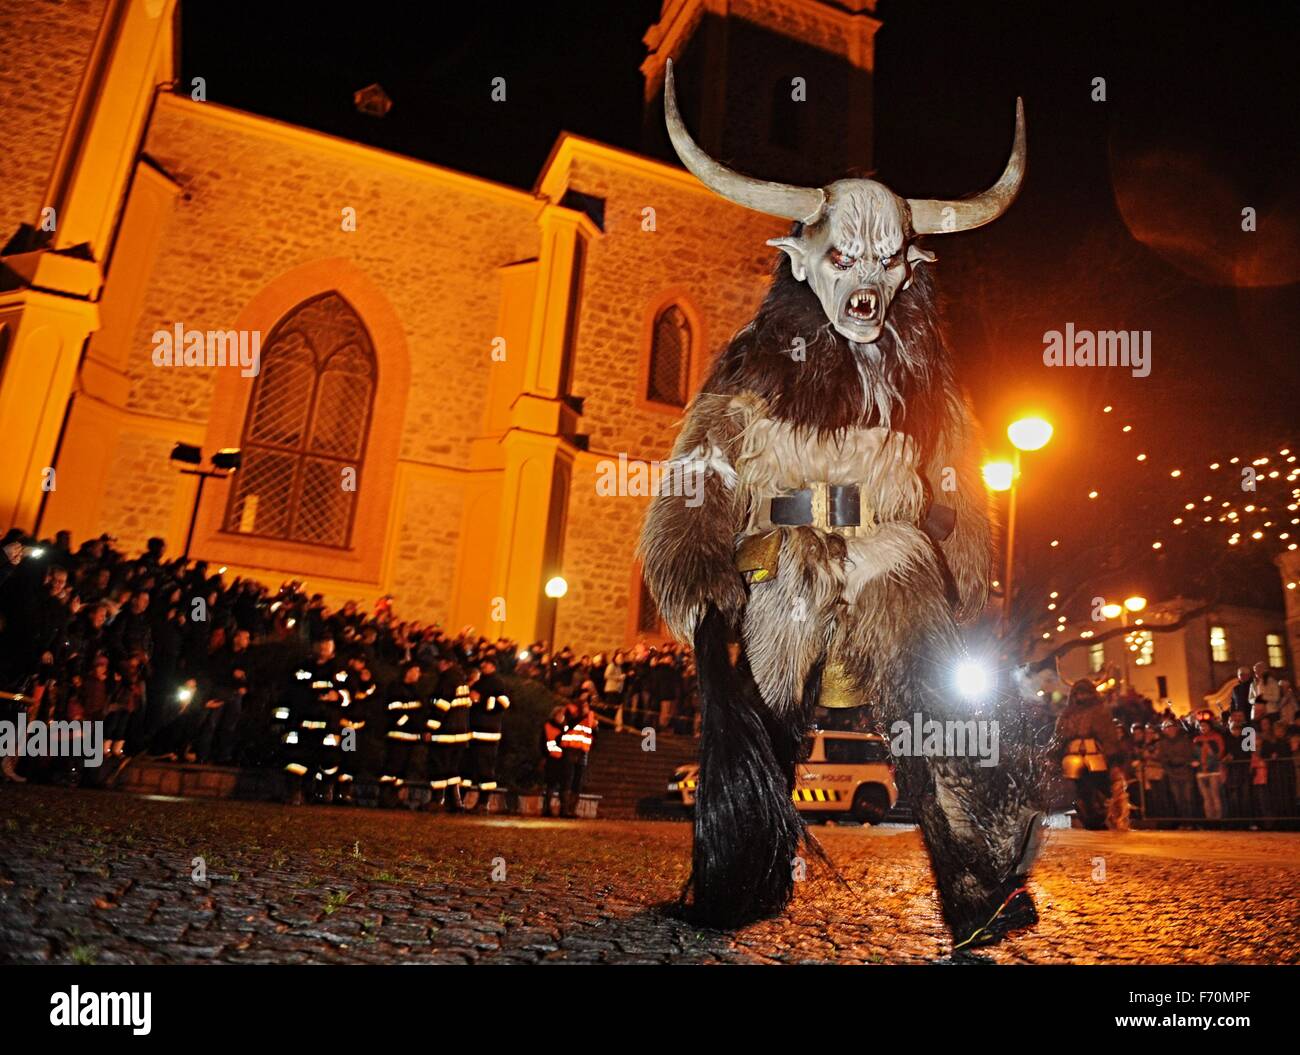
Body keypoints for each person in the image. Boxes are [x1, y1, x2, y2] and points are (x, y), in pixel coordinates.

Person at [281, 636, 346, 805]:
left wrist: (336, 696)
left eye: (327, 645)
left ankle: (325, 791)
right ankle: (295, 792)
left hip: (329, 723)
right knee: (297, 758)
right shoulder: (302, 667)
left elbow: (349, 695)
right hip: (303, 720)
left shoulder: (339, 670)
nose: (323, 648)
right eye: (321, 644)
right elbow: (292, 692)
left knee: (329, 758)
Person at [1053, 679, 1122, 830]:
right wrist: (1054, 756)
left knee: (1100, 788)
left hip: (1095, 755)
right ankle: (1088, 818)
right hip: (1072, 757)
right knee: (1079, 791)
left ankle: (1101, 818)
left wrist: (1114, 759)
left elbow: (1108, 736)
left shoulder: (1100, 712)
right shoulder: (1067, 715)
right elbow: (1059, 737)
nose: (1081, 696)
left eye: (1084, 693)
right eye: (1079, 693)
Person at [380, 661, 428, 809]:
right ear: (408, 671)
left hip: (410, 737)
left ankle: (395, 798)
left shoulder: (415, 691)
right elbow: (395, 712)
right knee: (392, 767)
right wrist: (410, 721)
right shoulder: (396, 689)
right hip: (398, 735)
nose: (418, 674)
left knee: (402, 770)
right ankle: (385, 797)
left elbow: (420, 712)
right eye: (416, 670)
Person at [465, 657, 510, 810]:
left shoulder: (497, 683)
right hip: (474, 731)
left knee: (485, 768)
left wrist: (482, 701)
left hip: (488, 733)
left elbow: (504, 703)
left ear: (493, 666)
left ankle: (484, 802)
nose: (483, 666)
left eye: (486, 664)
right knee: (468, 767)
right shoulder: (479, 682)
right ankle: (460, 800)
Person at [428, 655, 471, 810]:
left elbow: (442, 705)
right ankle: (455, 801)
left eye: (439, 662)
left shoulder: (447, 680)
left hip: (445, 732)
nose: (437, 665)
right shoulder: (462, 680)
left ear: (447, 663)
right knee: (452, 769)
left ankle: (437, 800)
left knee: (438, 766)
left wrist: (430, 727)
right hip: (460, 733)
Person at [559, 694, 596, 817]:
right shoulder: (570, 711)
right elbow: (568, 725)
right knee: (568, 779)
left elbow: (591, 732)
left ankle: (571, 809)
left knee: (577, 782)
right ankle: (564, 810)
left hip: (582, 751)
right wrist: (582, 715)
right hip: (570, 749)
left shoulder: (590, 715)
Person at [1193, 718, 1227, 820]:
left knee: (1215, 795)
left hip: (1213, 770)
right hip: (1201, 771)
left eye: (1205, 726)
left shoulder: (1216, 737)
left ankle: (1218, 818)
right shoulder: (1196, 739)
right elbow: (1194, 754)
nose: (1203, 728)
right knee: (1206, 797)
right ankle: (1210, 819)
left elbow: (1220, 753)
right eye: (1201, 726)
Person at [540, 706, 566, 816]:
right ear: (554, 715)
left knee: (562, 785)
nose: (561, 717)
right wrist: (546, 755)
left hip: (563, 760)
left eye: (562, 715)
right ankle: (546, 808)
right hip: (551, 758)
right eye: (559, 715)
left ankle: (562, 809)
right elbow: (542, 742)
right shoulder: (547, 726)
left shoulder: (565, 728)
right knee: (550, 784)